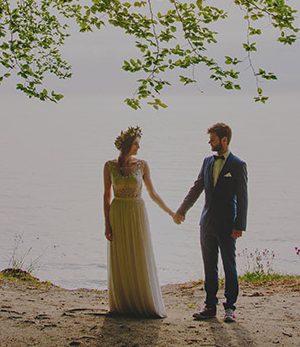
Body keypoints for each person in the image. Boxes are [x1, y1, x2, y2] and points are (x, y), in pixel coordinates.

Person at [174, 122, 248, 323]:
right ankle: (209, 305)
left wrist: (239, 225)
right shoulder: (207, 162)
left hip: (227, 225)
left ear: (224, 140)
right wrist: (182, 210)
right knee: (209, 266)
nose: (209, 142)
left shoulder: (238, 165)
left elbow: (243, 197)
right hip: (206, 223)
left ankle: (230, 307)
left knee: (229, 265)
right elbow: (197, 188)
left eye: (213, 139)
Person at [103, 125, 174, 317]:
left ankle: (143, 301)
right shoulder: (109, 166)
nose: (138, 147)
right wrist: (107, 225)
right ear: (127, 145)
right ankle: (122, 303)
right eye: (135, 144)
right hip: (118, 212)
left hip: (136, 212)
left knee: (138, 254)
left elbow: (152, 193)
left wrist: (171, 212)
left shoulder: (142, 165)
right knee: (120, 256)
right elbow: (106, 196)